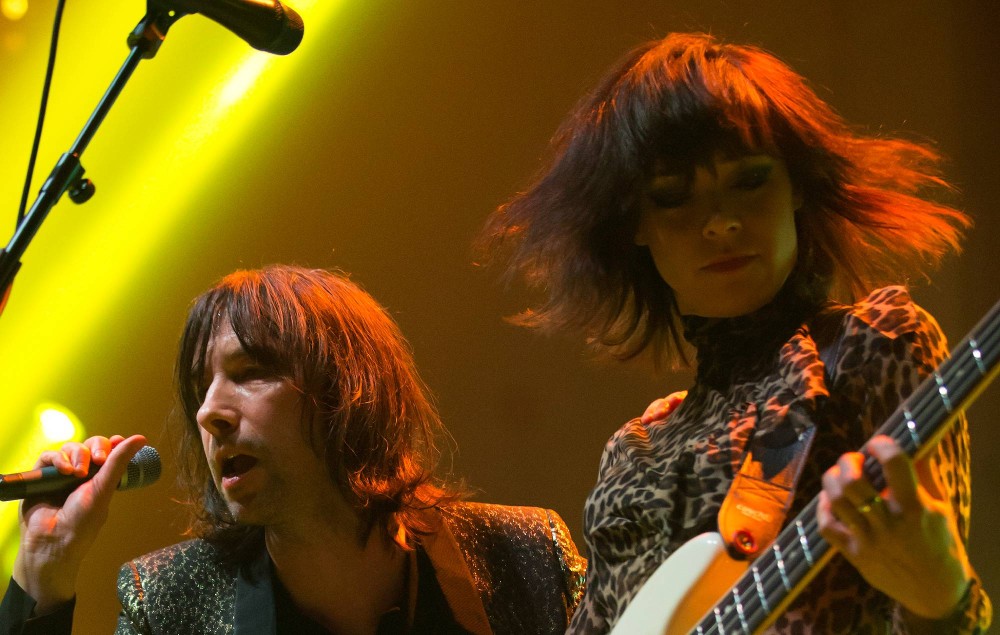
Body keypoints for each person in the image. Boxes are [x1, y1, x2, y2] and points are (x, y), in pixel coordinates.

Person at [480, 32, 991, 633]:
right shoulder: (635, 450)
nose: (721, 222)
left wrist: (947, 601)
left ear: (796, 185)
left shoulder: (873, 346)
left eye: (749, 180)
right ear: (633, 224)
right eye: (674, 198)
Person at [1, 265, 586, 634]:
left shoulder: (525, 557)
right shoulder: (172, 604)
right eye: (201, 388)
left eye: (251, 372)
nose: (209, 411)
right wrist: (44, 571)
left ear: (349, 392)